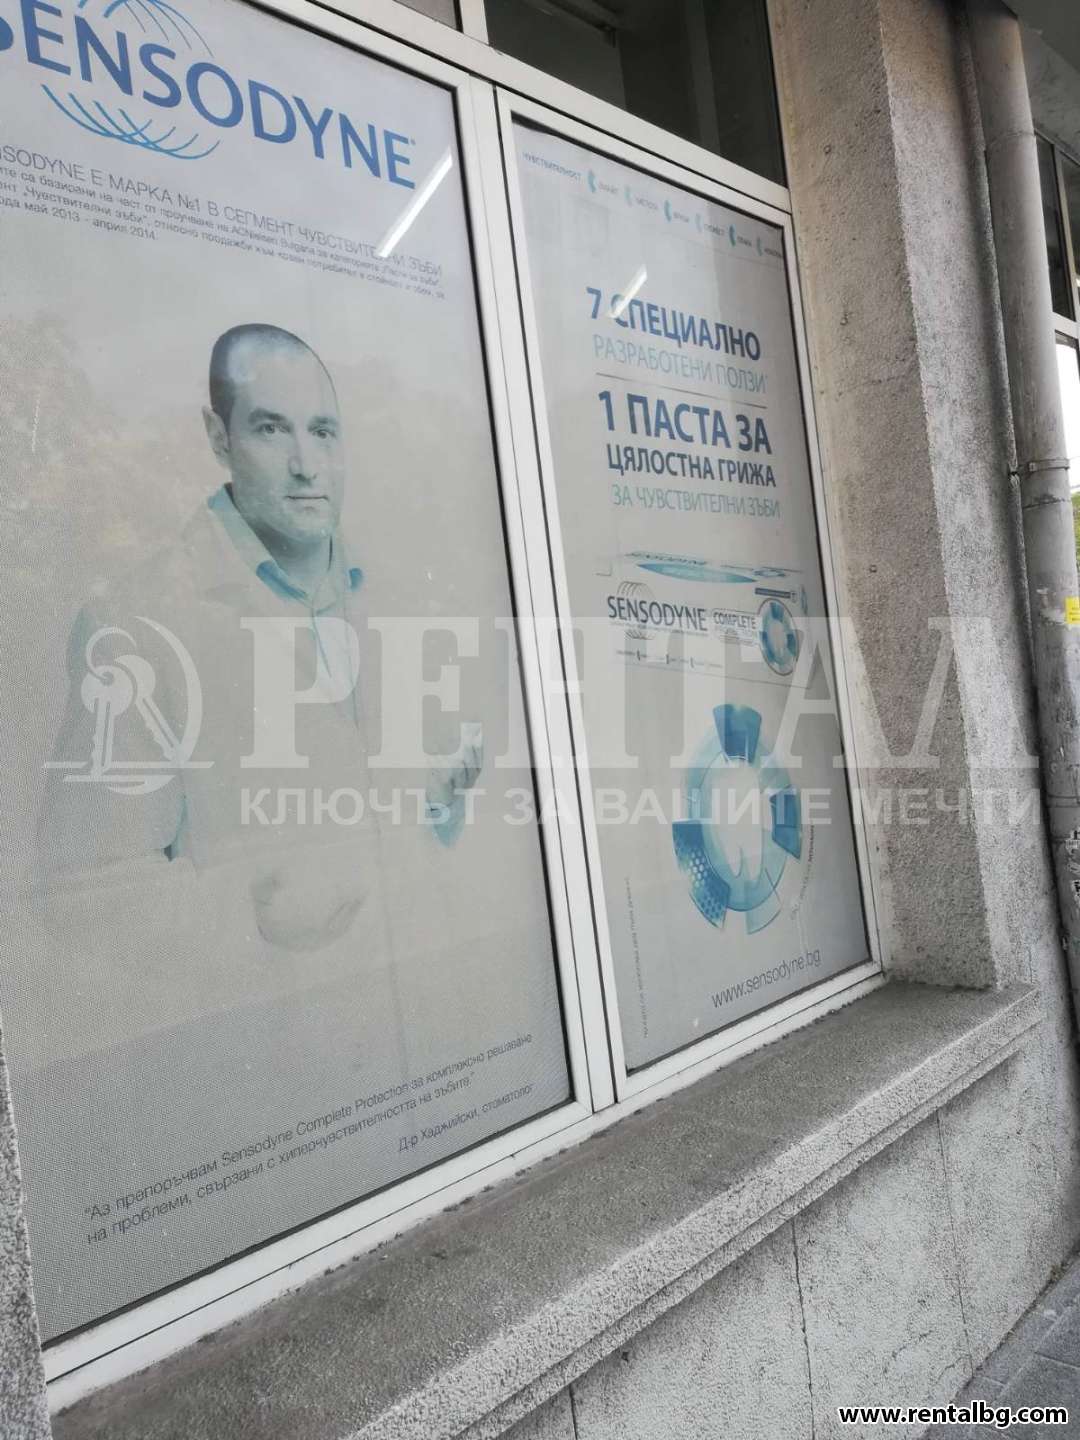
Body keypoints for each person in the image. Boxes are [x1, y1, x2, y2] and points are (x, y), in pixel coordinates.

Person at [42, 323, 482, 952]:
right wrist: (250, 915)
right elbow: (85, 897)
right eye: (272, 429)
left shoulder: (397, 598)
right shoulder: (134, 625)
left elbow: (418, 847)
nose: (306, 465)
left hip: (416, 991)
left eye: (322, 432)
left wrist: (439, 807)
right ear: (218, 437)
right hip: (262, 1005)